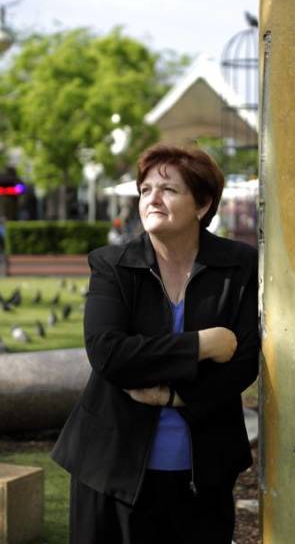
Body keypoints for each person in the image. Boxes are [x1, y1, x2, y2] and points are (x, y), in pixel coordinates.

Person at [51, 144, 259, 543]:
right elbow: (108, 353)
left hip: (204, 473)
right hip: (111, 471)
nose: (152, 199)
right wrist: (201, 344)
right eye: (145, 190)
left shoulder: (239, 265)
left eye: (168, 190)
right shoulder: (113, 264)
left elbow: (243, 362)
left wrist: (173, 397)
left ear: (201, 205)